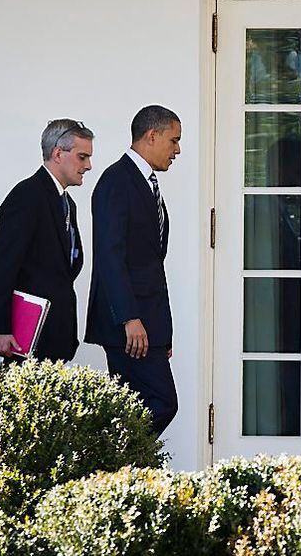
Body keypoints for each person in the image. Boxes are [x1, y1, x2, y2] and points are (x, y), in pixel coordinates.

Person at [85, 105, 182, 435]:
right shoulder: (117, 181)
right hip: (129, 325)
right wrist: (130, 319)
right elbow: (110, 258)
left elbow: (151, 263)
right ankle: (110, 464)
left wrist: (161, 331)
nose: (177, 150)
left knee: (138, 406)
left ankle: (123, 473)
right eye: (174, 141)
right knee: (161, 401)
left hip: (147, 322)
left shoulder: (146, 183)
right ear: (152, 136)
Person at [0, 119, 93, 362]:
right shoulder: (27, 195)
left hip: (56, 337)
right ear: (57, 153)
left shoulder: (67, 204)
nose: (88, 165)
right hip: (26, 338)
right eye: (82, 157)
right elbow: (3, 263)